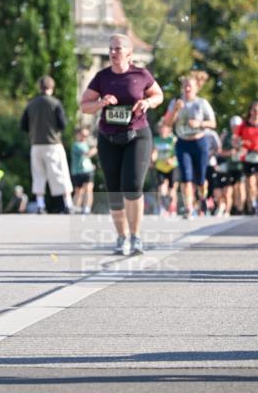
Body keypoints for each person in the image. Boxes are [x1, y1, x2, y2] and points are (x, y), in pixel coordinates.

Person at [80, 34, 164, 255]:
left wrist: (147, 102)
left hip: (137, 135)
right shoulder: (102, 77)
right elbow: (84, 106)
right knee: (114, 190)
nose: (113, 53)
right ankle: (121, 237)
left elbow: (158, 95)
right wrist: (101, 103)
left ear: (129, 53)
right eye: (111, 49)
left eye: (118, 49)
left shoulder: (141, 74)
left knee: (133, 184)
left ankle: (135, 237)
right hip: (108, 138)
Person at [163, 74, 216, 219]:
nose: (187, 88)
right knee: (186, 177)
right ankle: (188, 208)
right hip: (182, 143)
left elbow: (213, 123)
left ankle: (202, 199)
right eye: (184, 85)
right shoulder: (176, 102)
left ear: (196, 88)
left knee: (200, 180)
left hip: (199, 142)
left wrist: (200, 124)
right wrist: (175, 111)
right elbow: (167, 123)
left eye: (190, 86)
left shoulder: (202, 103)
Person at [21, 76, 73, 214]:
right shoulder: (55, 103)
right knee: (60, 174)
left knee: (38, 175)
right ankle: (68, 204)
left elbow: (23, 125)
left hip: (36, 145)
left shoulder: (30, 104)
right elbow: (62, 124)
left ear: (39, 87)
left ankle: (40, 205)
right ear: (52, 87)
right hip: (53, 144)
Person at [234, 102, 258, 215]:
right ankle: (252, 206)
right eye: (254, 110)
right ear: (250, 111)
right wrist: (240, 145)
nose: (256, 113)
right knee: (250, 183)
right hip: (247, 157)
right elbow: (235, 140)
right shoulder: (244, 125)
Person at [151, 121, 179, 216]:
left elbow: (178, 153)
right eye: (161, 128)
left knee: (172, 189)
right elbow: (154, 152)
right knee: (162, 188)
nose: (162, 129)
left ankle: (172, 207)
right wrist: (152, 158)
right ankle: (163, 207)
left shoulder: (173, 140)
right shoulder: (156, 140)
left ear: (169, 129)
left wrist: (172, 159)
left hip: (172, 167)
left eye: (164, 127)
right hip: (160, 167)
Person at [70, 127, 96, 214]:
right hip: (78, 172)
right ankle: (75, 208)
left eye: (86, 136)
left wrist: (91, 165)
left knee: (89, 189)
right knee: (79, 191)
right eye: (83, 135)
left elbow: (86, 159)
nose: (84, 137)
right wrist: (97, 148)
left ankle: (87, 208)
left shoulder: (85, 144)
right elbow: (87, 154)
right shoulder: (76, 145)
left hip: (87, 171)